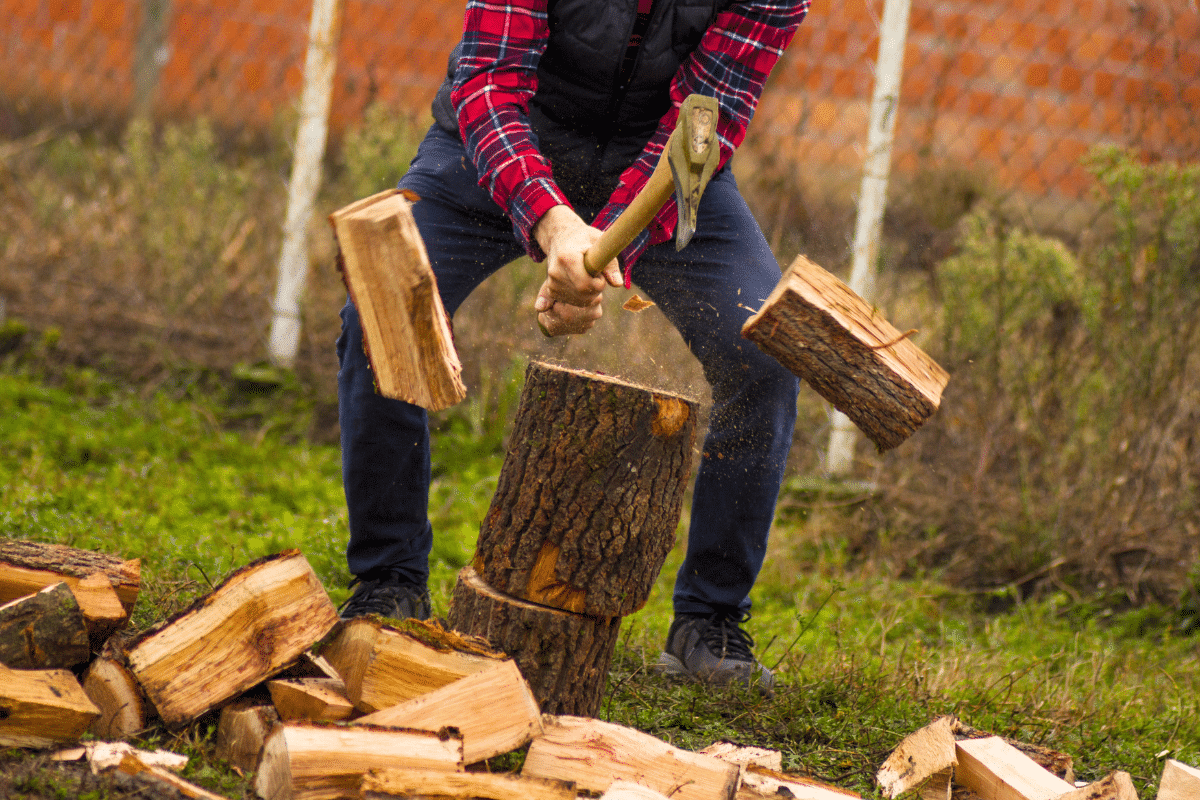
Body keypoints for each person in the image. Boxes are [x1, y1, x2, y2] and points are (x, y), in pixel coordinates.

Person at [337, 0, 810, 691]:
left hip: (666, 167)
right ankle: (390, 584)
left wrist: (601, 247)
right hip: (503, 139)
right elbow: (487, 82)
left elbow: (708, 117)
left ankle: (708, 624)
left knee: (763, 353)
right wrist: (554, 226)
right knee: (381, 308)